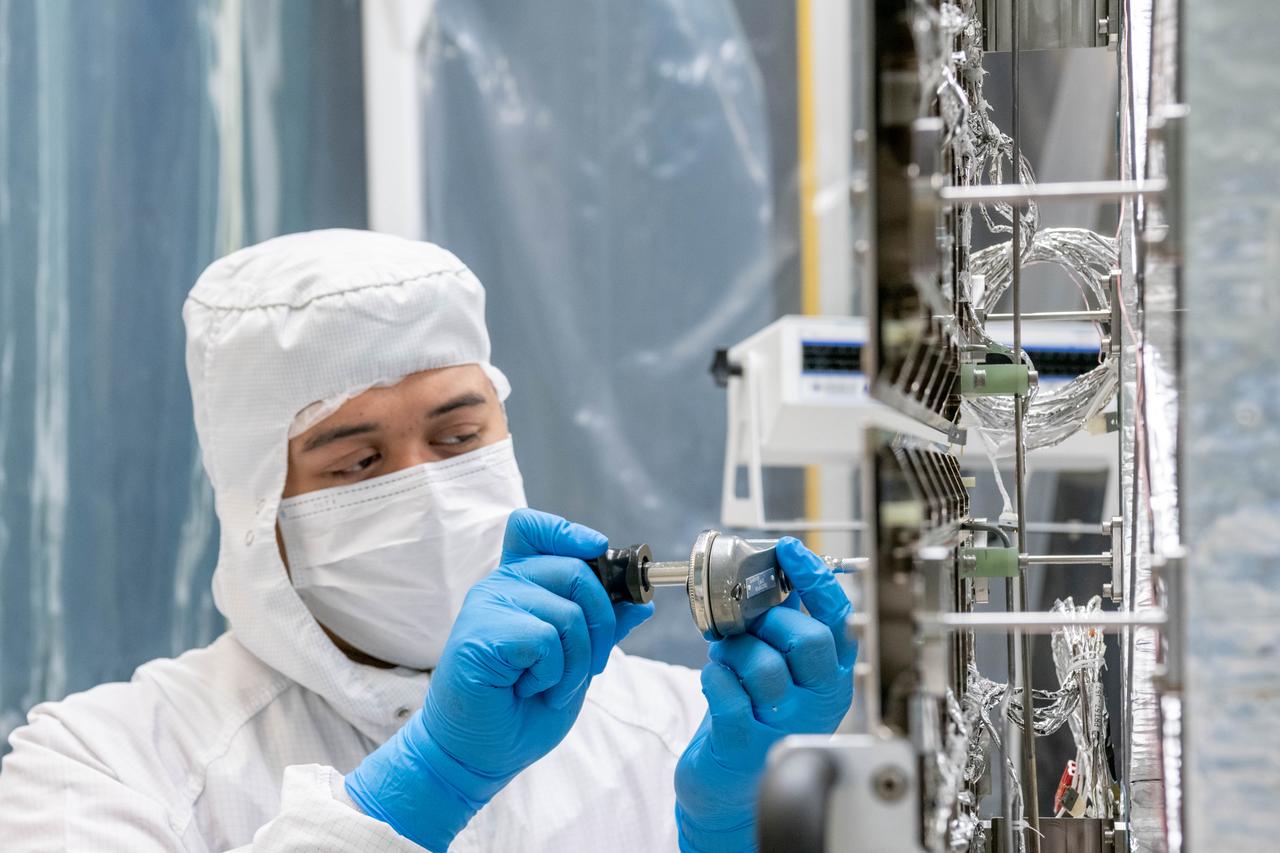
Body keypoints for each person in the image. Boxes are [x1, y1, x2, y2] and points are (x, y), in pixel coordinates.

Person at [0, 230, 855, 852]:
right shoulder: (103, 764)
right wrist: (423, 788)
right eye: (360, 460)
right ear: (260, 505)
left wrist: (738, 833)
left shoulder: (675, 732)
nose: (431, 496)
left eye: (456, 440)